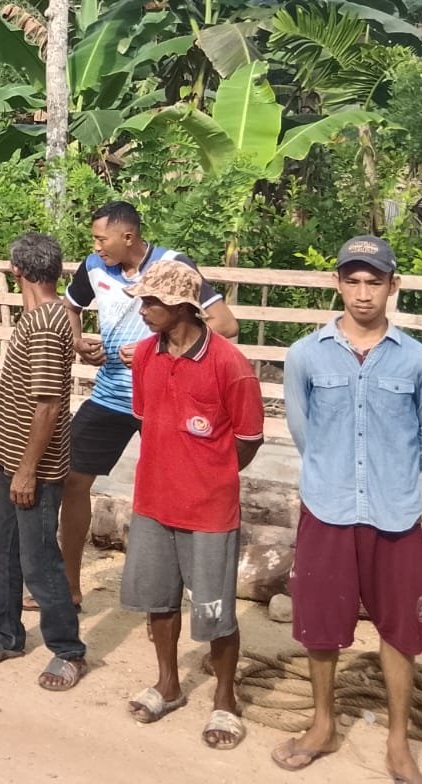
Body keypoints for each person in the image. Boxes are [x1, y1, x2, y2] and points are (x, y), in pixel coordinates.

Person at [273, 237, 422, 783]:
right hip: (327, 508)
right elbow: (304, 430)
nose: (363, 293)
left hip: (395, 514)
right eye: (352, 280)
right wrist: (336, 474)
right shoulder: (306, 354)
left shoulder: (418, 360)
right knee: (320, 625)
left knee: (400, 628)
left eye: (375, 281)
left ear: (394, 285)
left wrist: (392, 473)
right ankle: (323, 725)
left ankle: (398, 742)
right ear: (338, 284)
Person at [60, 201, 239, 608]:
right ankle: (69, 586)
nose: (96, 246)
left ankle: (174, 598)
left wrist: (152, 349)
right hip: (110, 394)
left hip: (163, 400)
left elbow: (225, 324)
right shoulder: (94, 266)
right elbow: (71, 305)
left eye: (101, 239)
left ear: (128, 237)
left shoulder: (173, 265)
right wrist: (77, 341)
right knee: (71, 480)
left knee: (172, 491)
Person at [119, 259, 263, 751]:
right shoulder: (144, 354)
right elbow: (146, 417)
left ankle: (225, 698)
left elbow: (248, 438)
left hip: (209, 511)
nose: (143, 309)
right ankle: (168, 684)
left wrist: (210, 474)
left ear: (182, 306)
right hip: (153, 501)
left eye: (152, 302)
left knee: (216, 610)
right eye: (142, 300)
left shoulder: (230, 365)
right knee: (159, 601)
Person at [0, 233, 86, 691]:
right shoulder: (42, 316)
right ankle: (7, 633)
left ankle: (68, 650)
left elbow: (48, 405)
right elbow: (17, 387)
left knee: (39, 561)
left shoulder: (45, 325)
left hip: (33, 466)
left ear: (15, 270)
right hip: (11, 455)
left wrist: (28, 469)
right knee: (2, 550)